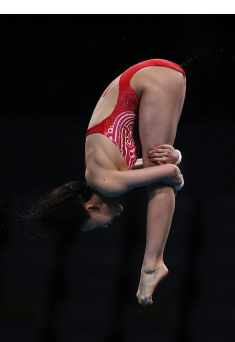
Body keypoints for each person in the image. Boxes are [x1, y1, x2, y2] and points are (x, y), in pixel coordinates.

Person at [28, 59, 186, 306]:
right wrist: (175, 158)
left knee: (159, 182)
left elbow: (171, 175)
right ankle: (152, 265)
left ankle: (151, 264)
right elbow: (163, 167)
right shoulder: (102, 175)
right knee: (157, 162)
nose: (107, 225)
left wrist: (172, 170)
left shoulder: (107, 183)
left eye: (96, 225)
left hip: (153, 78)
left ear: (89, 208)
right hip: (148, 76)